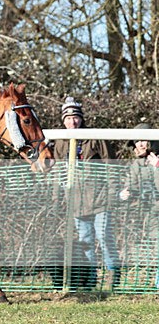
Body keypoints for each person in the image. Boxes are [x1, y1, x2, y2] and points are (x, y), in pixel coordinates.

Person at [52, 96, 122, 289]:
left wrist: (113, 192)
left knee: (104, 237)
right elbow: (58, 172)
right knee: (85, 242)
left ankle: (113, 277)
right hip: (76, 202)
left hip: (100, 199)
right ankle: (91, 280)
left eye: (75, 117)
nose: (72, 121)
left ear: (81, 118)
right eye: (67, 118)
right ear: (63, 120)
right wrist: (57, 200)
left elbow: (111, 165)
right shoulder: (60, 142)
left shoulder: (95, 137)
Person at [118, 123, 159, 289]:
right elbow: (132, 186)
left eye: (143, 140)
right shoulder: (136, 165)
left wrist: (157, 166)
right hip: (153, 212)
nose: (140, 144)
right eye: (137, 141)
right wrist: (123, 194)